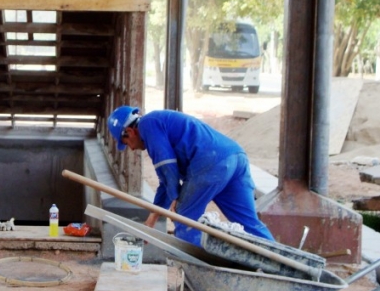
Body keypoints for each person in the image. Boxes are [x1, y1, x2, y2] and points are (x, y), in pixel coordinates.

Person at [107, 105, 274, 247]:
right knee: (250, 223)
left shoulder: (147, 125)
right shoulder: (158, 123)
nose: (130, 148)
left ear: (129, 131)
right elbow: (166, 180)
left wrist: (175, 197)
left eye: (126, 143)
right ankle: (284, 266)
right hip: (235, 157)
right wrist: (151, 221)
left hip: (210, 162)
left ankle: (196, 273)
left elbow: (167, 166)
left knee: (185, 217)